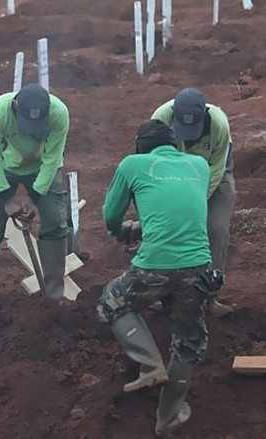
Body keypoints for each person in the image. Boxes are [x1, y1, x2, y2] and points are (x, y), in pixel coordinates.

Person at [97, 120, 223, 437]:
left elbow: (111, 214)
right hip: (199, 268)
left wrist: (120, 231)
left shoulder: (132, 164)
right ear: (174, 145)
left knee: (111, 303)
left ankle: (150, 365)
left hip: (154, 266)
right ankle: (167, 419)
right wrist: (146, 226)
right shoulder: (199, 165)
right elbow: (179, 205)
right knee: (188, 345)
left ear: (140, 147)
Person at [0, 83, 70, 303]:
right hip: (6, 166)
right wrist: (6, 197)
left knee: (55, 221)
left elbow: (53, 158)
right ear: (15, 107)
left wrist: (34, 197)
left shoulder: (59, 113)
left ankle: (55, 295)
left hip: (43, 167)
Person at [152, 88, 235, 316]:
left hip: (213, 175)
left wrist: (195, 203)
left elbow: (217, 170)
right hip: (172, 176)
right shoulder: (160, 119)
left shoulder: (219, 124)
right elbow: (153, 165)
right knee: (168, 227)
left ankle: (210, 296)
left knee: (217, 228)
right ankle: (164, 293)